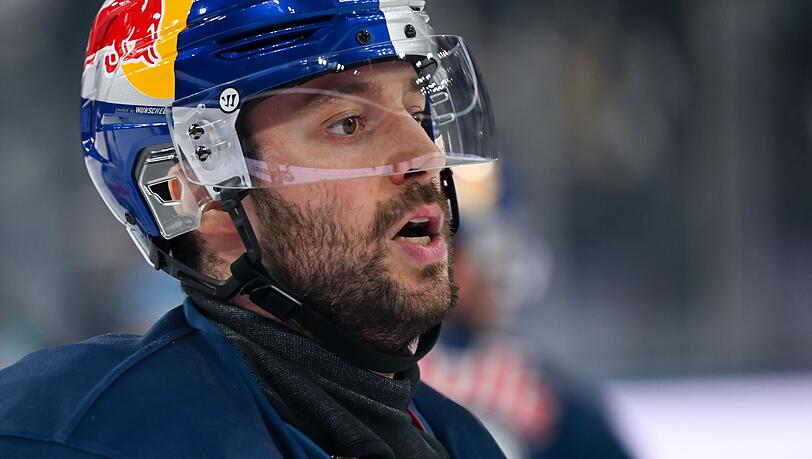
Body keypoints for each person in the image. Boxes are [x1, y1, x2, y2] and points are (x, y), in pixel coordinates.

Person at [0, 0, 505, 458]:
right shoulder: (81, 435)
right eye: (348, 123)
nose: (427, 154)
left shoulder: (460, 438)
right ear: (204, 196)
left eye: (417, 113)